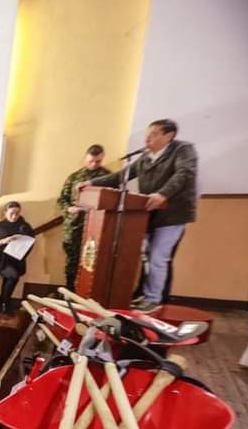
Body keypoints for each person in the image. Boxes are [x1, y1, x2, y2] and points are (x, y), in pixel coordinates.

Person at [80, 119, 197, 310]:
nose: (147, 138)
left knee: (159, 258)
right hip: (148, 215)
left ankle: (154, 299)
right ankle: (145, 295)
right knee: (147, 258)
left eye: (153, 134)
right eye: (147, 133)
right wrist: (92, 183)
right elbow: (120, 176)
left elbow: (184, 174)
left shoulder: (183, 150)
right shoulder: (145, 157)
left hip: (172, 215)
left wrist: (163, 194)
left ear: (169, 135)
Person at [58, 144, 110, 288]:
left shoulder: (108, 177)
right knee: (72, 260)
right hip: (74, 225)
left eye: (98, 161)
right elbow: (62, 199)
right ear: (85, 158)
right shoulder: (74, 177)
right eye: (90, 161)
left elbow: (113, 200)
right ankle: (69, 291)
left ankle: (90, 291)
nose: (94, 164)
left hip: (97, 226)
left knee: (94, 260)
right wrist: (69, 209)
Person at [0, 202, 35, 315]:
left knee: (9, 280)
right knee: (13, 276)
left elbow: (31, 241)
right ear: (5, 213)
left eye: (17, 213)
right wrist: (3, 241)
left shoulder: (25, 225)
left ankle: (1, 305)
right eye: (11, 213)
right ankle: (5, 303)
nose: (14, 216)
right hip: (2, 259)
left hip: (17, 258)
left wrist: (23, 250)